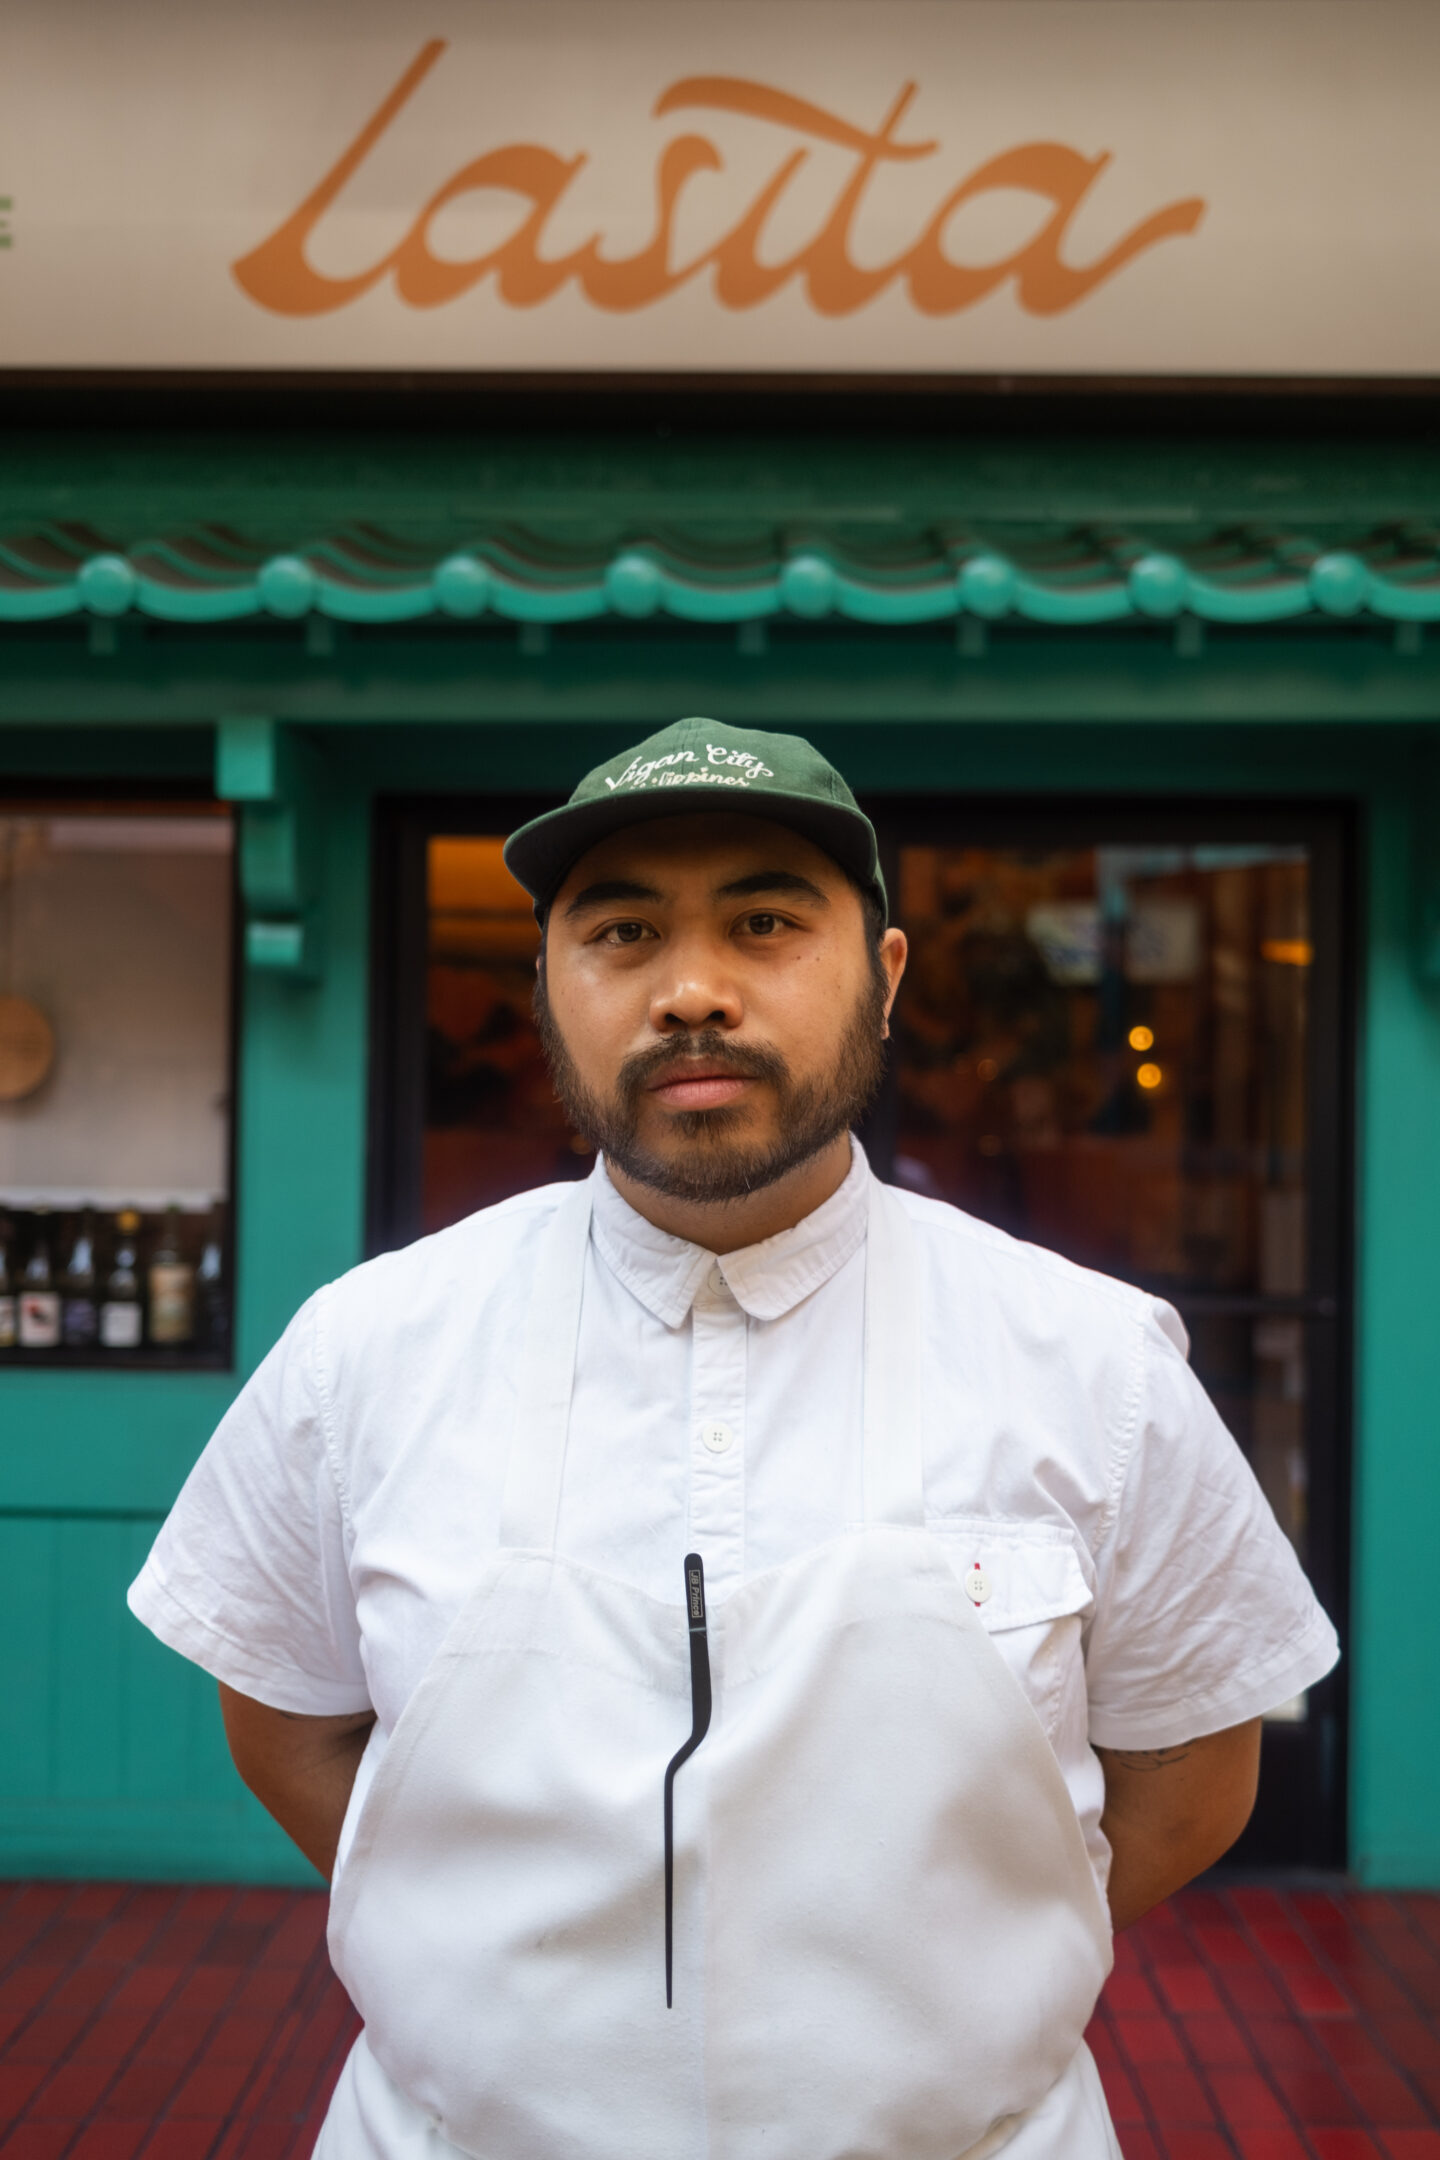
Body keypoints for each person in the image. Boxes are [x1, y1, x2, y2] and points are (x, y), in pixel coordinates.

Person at [129, 719, 1339, 2160]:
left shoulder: (1092, 1359)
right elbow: (289, 1727)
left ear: (885, 976)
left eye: (765, 923)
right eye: (622, 932)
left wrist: (938, 1987)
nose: (692, 990)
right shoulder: (366, 1352)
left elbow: (1192, 1778)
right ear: (546, 985)